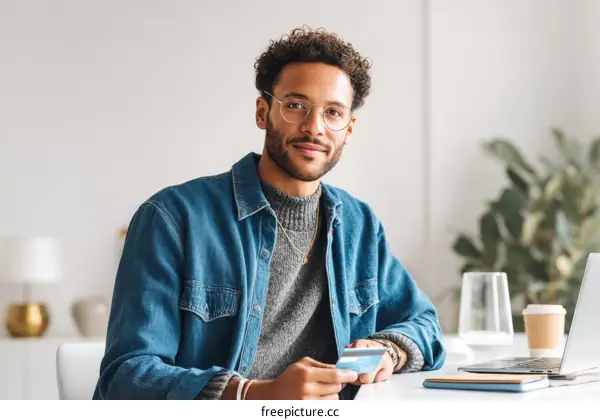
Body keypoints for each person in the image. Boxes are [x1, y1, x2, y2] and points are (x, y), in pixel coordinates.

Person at [93, 26, 445, 401]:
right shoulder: (172, 218)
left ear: (349, 128)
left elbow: (424, 324)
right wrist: (257, 394)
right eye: (296, 105)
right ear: (263, 112)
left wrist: (388, 351)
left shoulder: (359, 226)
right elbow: (126, 376)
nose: (314, 127)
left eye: (333, 113)